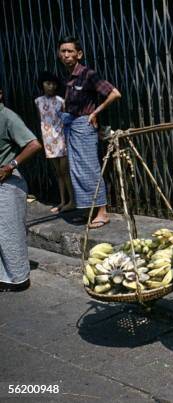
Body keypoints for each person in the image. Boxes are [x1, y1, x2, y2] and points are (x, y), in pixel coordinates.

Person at [57, 36, 121, 228]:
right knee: (76, 170)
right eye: (63, 51)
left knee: (89, 169)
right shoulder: (68, 76)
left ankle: (102, 212)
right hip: (71, 125)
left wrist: (95, 112)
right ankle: (89, 211)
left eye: (70, 51)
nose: (66, 55)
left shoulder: (88, 74)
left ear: (79, 54)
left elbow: (114, 93)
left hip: (84, 127)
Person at [0, 95, 43, 291]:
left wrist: (10, 166)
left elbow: (34, 144)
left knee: (10, 232)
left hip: (8, 182)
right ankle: (4, 277)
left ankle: (18, 279)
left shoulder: (8, 117)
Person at [34, 71, 74, 213]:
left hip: (61, 138)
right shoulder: (38, 101)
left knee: (65, 171)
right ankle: (63, 201)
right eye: (47, 83)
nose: (50, 86)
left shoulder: (60, 101)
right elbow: (41, 120)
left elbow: (66, 120)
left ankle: (72, 200)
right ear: (42, 85)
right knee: (58, 173)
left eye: (53, 84)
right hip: (48, 139)